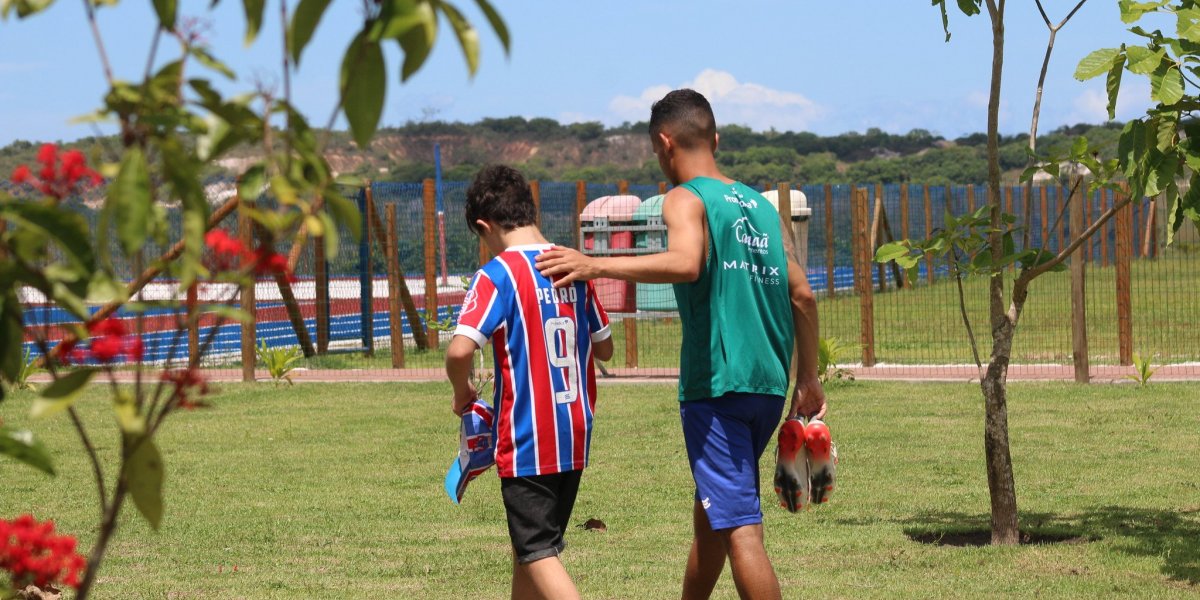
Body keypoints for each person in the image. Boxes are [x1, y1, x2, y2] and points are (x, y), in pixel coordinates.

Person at [536, 89, 826, 600]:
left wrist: (594, 264)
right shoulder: (759, 205)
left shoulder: (684, 197)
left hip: (716, 388)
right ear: (714, 138)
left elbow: (686, 261)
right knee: (712, 517)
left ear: (664, 143)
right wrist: (807, 378)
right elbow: (801, 294)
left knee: (742, 530)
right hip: (766, 388)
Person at [445, 164, 614, 600]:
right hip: (574, 431)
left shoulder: (498, 274)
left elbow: (460, 349)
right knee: (535, 550)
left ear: (485, 227)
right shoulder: (571, 265)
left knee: (537, 550)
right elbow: (606, 347)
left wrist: (462, 391)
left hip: (527, 437)